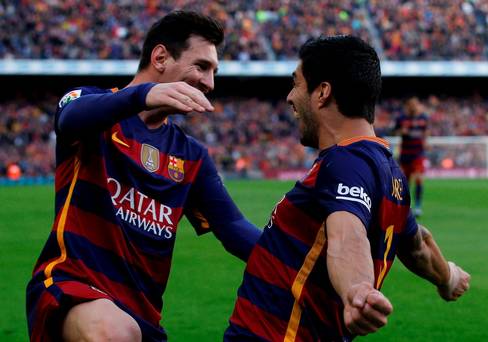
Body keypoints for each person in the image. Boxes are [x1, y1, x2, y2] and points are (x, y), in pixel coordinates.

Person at [26, 11, 261, 342]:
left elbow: (234, 229)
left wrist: (302, 262)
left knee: (125, 331)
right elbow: (70, 119)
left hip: (142, 316)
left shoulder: (191, 156)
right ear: (161, 57)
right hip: (72, 287)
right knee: (114, 332)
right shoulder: (91, 104)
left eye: (214, 72)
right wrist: (143, 95)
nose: (210, 83)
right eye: (202, 66)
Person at [224, 35, 470, 341]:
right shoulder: (389, 172)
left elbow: (347, 234)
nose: (289, 97)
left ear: (322, 92)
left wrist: (357, 290)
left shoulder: (344, 161)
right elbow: (417, 244)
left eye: (296, 83)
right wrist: (447, 276)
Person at [394, 96, 429, 217]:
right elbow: (394, 132)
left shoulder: (423, 118)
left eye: (416, 103)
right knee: (405, 182)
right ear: (408, 106)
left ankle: (418, 206)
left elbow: (425, 132)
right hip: (405, 154)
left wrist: (426, 142)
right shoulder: (401, 118)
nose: (414, 106)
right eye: (412, 104)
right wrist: (400, 132)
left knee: (419, 178)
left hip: (418, 154)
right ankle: (405, 206)